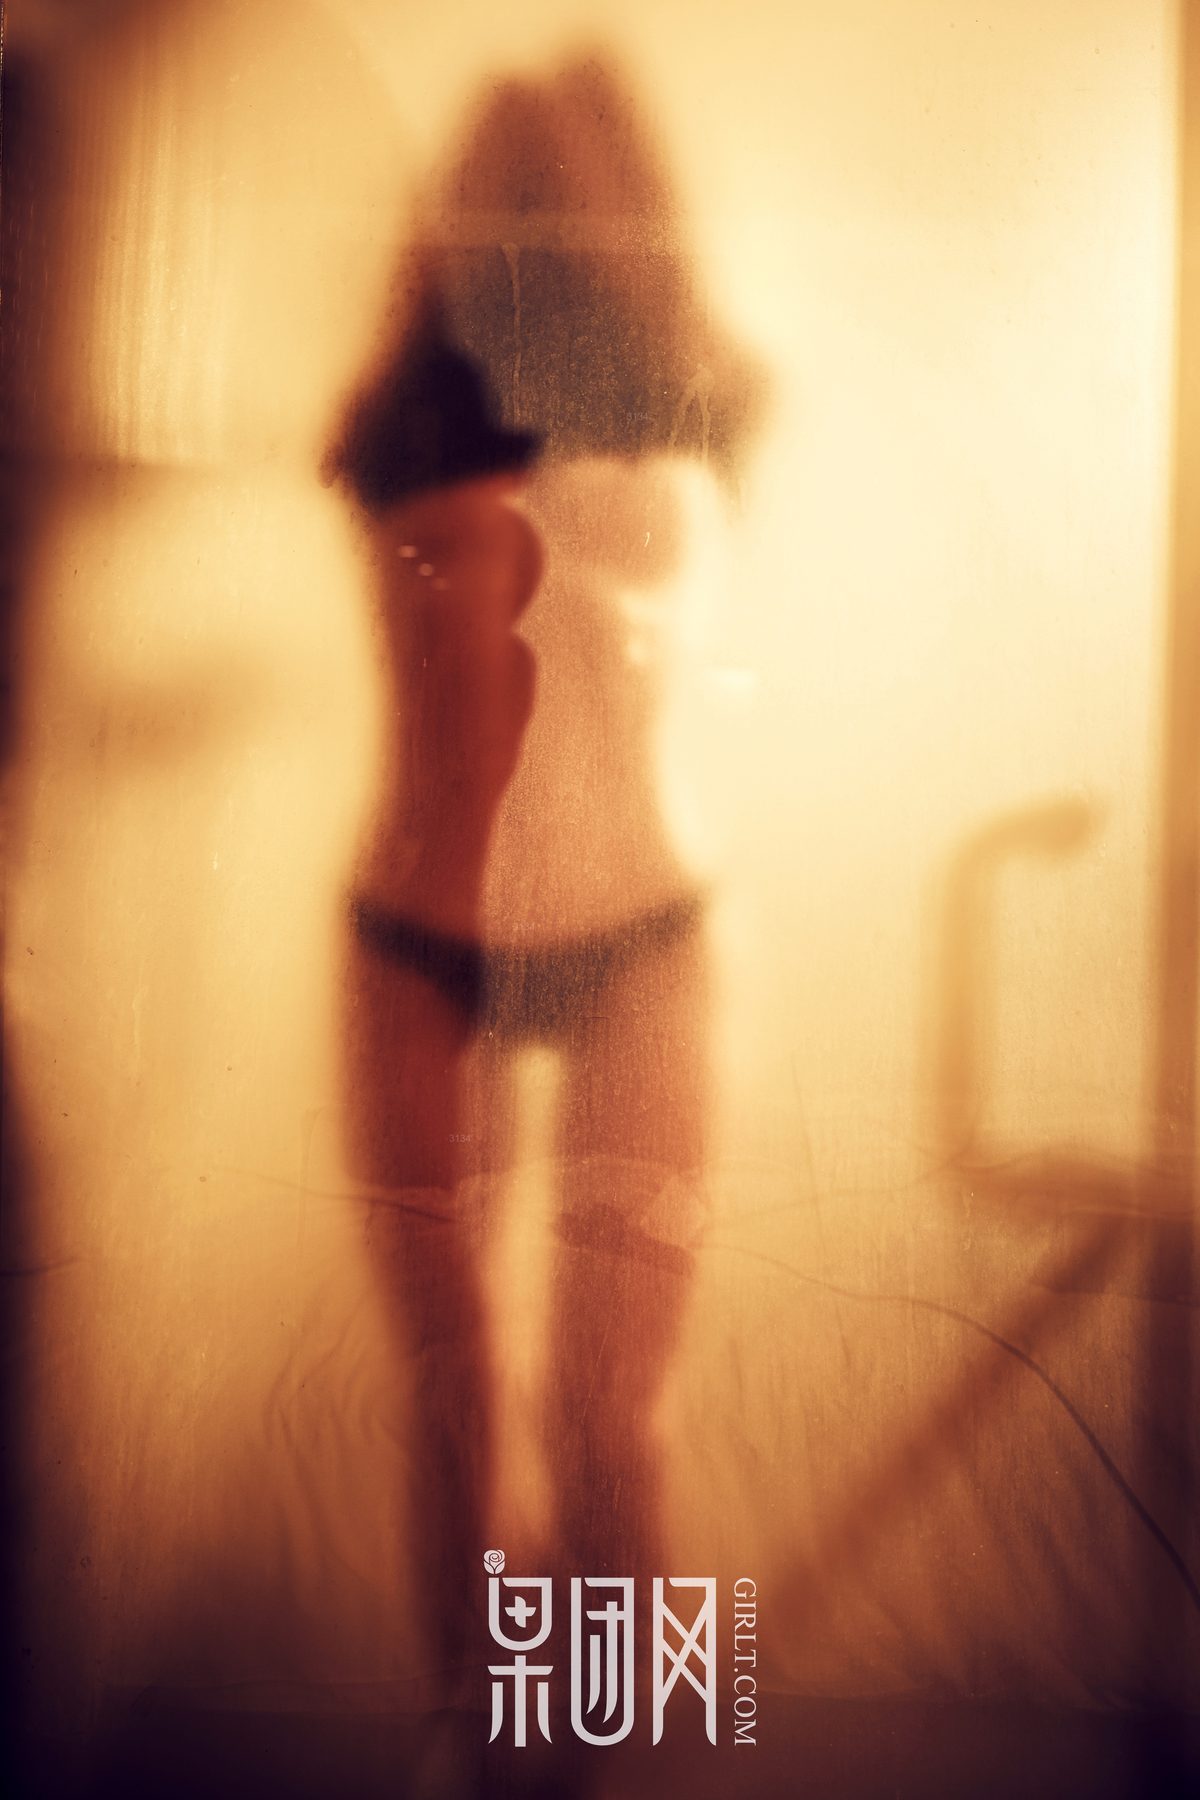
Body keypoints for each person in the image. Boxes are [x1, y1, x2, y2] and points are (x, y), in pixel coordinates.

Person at [332, 52, 764, 1726]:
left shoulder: (702, 386)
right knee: (456, 1410)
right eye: (510, 180)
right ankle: (485, 1750)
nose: (540, 214)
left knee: (614, 1422)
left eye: (572, 181)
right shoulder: (406, 413)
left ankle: (602, 1751)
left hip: (640, 925)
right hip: (421, 936)